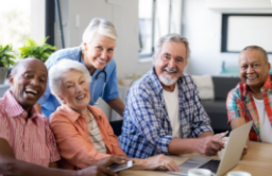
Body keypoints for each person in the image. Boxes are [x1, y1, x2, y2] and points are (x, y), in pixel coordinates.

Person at [0, 58, 128, 176]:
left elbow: (53, 169)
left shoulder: (43, 123)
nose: (35, 83)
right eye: (28, 76)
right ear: (11, 80)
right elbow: (7, 166)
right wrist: (80, 175)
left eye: (42, 80)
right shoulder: (1, 111)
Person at [48, 59, 180, 172]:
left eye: (82, 82)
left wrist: (136, 164)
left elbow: (117, 153)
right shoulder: (59, 120)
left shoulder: (97, 113)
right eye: (70, 86)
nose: (79, 89)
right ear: (61, 97)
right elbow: (87, 158)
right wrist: (144, 163)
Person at [118, 33, 225, 159]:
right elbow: (157, 140)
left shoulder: (188, 83)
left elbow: (200, 124)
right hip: (143, 164)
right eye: (166, 57)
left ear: (185, 63)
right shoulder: (141, 90)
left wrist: (211, 142)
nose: (172, 65)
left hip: (178, 159)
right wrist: (199, 145)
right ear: (155, 58)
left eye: (179, 59)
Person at [36, 18, 125, 118]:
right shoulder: (59, 60)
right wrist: (40, 130)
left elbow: (111, 97)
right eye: (99, 48)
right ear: (86, 46)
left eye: (110, 49)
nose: (104, 56)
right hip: (51, 121)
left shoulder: (110, 65)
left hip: (82, 122)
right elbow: (36, 100)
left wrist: (134, 118)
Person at [227, 45, 272, 144]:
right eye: (244, 66)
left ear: (268, 67)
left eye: (255, 65)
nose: (249, 71)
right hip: (256, 152)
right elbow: (241, 140)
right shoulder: (235, 96)